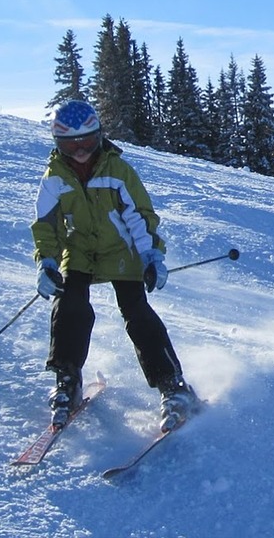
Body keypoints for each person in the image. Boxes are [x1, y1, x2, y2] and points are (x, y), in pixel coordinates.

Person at [31, 99, 199, 431]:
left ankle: (173, 385)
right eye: (70, 144)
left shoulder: (117, 171)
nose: (80, 152)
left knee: (135, 310)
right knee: (69, 305)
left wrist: (151, 255)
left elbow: (140, 217)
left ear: (100, 137)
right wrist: (47, 262)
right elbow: (46, 225)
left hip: (120, 250)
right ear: (57, 144)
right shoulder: (54, 176)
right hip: (79, 251)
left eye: (87, 142)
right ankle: (68, 379)